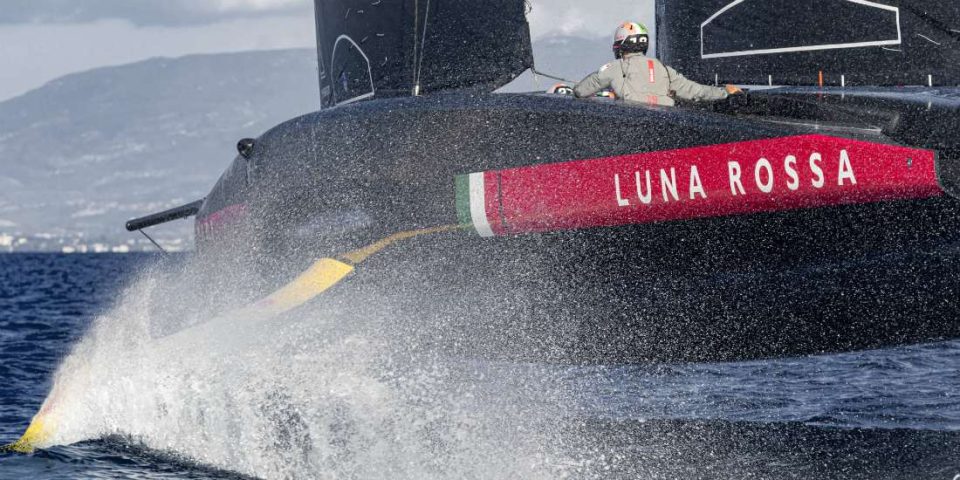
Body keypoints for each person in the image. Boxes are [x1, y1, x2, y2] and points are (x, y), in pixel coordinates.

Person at [574, 21, 742, 107]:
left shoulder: (615, 67)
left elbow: (581, 91)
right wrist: (725, 92)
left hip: (632, 122)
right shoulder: (664, 69)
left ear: (620, 46)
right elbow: (695, 91)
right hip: (666, 122)